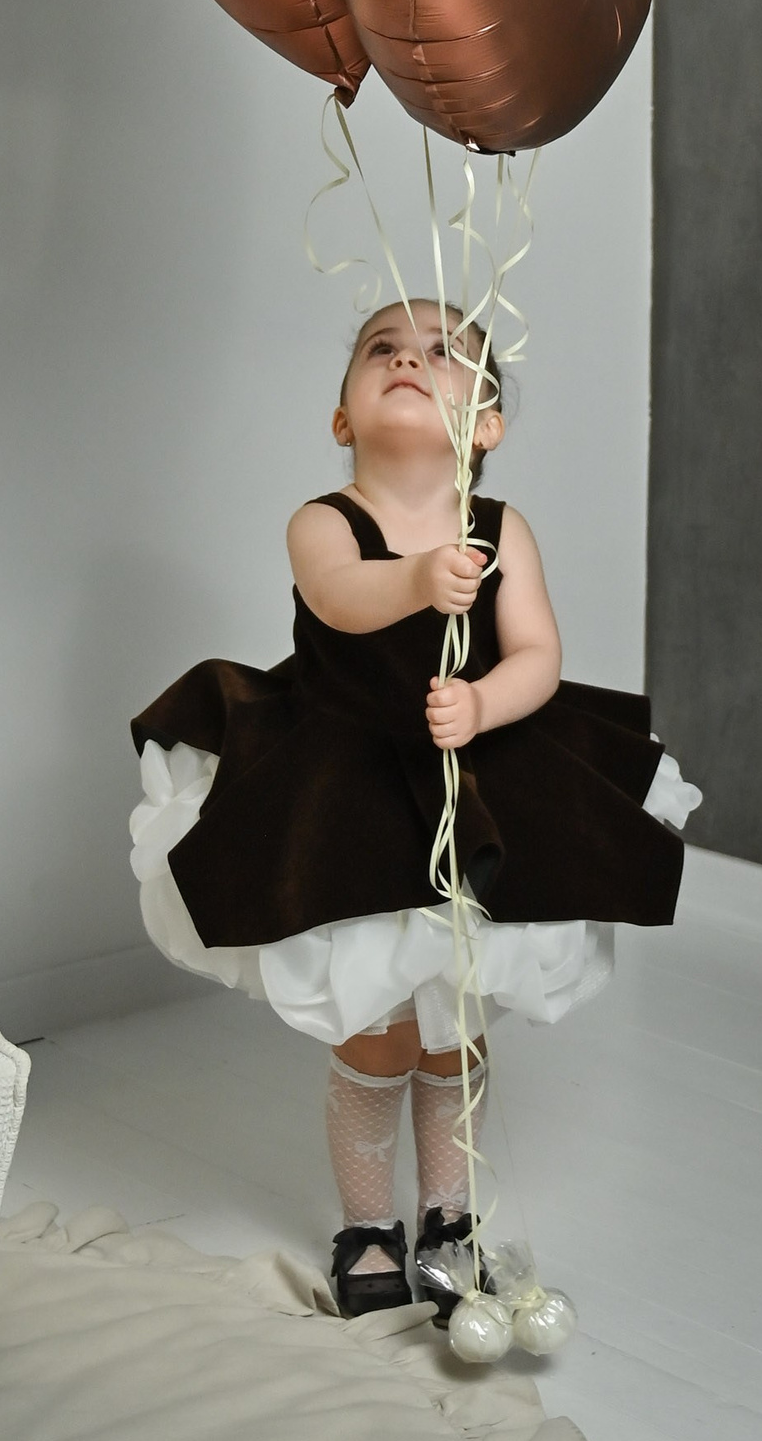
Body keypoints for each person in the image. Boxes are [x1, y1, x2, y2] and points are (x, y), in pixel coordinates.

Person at [128, 298, 700, 1321]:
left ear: (486, 423)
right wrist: (422, 579)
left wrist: (484, 702)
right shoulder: (324, 520)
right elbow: (341, 594)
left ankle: (448, 1217)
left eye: (442, 352)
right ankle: (366, 1226)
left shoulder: (502, 527)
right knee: (378, 1028)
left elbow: (538, 653)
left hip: (474, 777)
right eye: (381, 348)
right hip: (349, 782)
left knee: (455, 1030)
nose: (408, 358)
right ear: (342, 415)